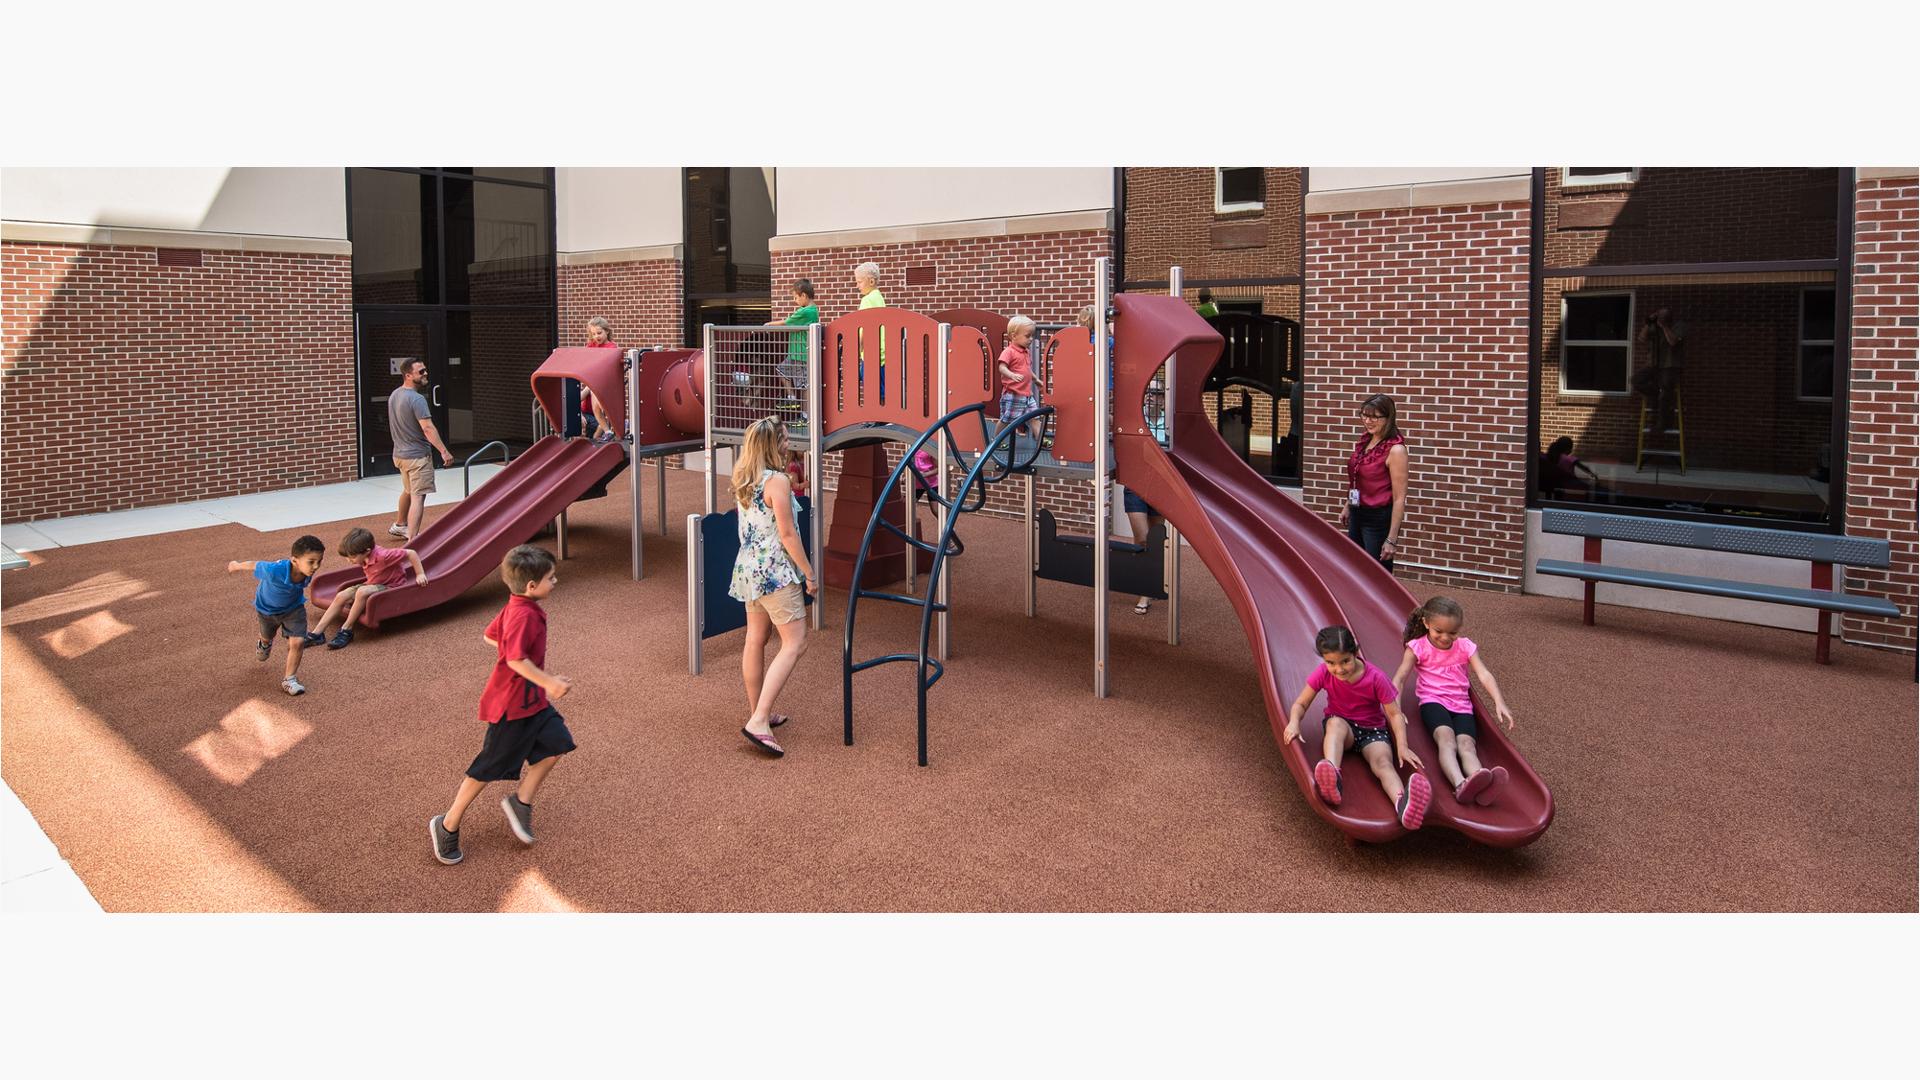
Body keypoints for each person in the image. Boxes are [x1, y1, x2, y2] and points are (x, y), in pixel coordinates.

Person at [430, 545, 576, 866]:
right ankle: (447, 823)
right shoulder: (523, 614)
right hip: (512, 706)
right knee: (488, 768)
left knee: (555, 747)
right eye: (551, 578)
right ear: (531, 586)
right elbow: (514, 659)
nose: (556, 582)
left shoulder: (517, 604)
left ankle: (520, 803)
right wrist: (548, 681)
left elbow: (489, 636)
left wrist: (533, 675)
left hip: (532, 702)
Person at [728, 417, 819, 757]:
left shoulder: (745, 479)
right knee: (795, 643)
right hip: (775, 573)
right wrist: (809, 572)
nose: (787, 444)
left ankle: (758, 712)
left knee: (756, 639)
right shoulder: (778, 481)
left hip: (748, 570)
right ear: (772, 445)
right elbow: (786, 534)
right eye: (783, 440)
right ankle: (760, 719)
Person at [1282, 625, 1431, 830]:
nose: (1339, 669)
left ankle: (1402, 804)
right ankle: (1333, 775)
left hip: (1373, 731)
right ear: (1324, 660)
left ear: (1355, 654)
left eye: (1345, 661)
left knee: (1383, 764)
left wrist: (1402, 746)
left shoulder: (1375, 677)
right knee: (1334, 725)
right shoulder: (1324, 673)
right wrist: (1294, 721)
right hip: (1345, 729)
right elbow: (1301, 703)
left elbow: (1394, 714)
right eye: (1331, 662)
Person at [1391, 597, 1514, 806]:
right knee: (1447, 740)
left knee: (1467, 745)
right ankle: (1459, 784)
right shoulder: (1417, 647)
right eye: (1439, 631)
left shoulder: (1465, 646)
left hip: (1462, 705)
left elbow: (1484, 674)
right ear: (1426, 623)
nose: (1445, 638)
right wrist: (1396, 709)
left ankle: (1480, 782)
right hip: (1433, 701)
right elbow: (1399, 678)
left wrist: (1499, 701)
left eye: (1452, 633)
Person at [227, 535, 325, 697]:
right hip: (267, 610)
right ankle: (264, 643)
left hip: (294, 609)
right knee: (267, 636)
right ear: (294, 560)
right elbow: (254, 564)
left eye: (319, 561)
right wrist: (236, 565)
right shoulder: (274, 570)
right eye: (311, 561)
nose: (316, 566)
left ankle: (289, 679)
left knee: (298, 641)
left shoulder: (307, 570)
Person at [310, 527, 428, 649]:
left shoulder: (383, 556)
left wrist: (420, 574)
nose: (349, 560)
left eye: (352, 557)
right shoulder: (364, 554)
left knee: (361, 591)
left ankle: (347, 629)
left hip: (391, 586)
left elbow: (411, 553)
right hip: (373, 583)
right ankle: (317, 633)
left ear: (367, 551)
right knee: (341, 595)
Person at [387, 359, 454, 542]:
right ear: (408, 375)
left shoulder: (395, 395)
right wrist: (444, 451)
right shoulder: (417, 399)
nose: (425, 374)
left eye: (425, 370)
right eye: (421, 371)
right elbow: (428, 428)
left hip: (400, 455)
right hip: (417, 457)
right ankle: (413, 541)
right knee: (418, 497)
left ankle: (400, 525)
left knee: (408, 490)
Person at [1340, 393, 1408, 570]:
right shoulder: (1366, 441)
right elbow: (1357, 476)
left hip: (1377, 520)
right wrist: (1348, 505)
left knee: (1376, 572)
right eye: (1365, 415)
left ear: (1388, 418)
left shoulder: (1396, 450)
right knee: (1355, 567)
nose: (1368, 421)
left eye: (1375, 417)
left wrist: (1391, 539)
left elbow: (1399, 498)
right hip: (1357, 512)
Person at [768, 280, 820, 423]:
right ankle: (792, 398)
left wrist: (768, 324)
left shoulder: (806, 311)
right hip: (795, 354)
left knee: (803, 386)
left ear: (804, 295)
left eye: (796, 297)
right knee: (781, 370)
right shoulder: (810, 310)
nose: (795, 301)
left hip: (800, 355)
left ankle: (805, 416)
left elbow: (786, 322)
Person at [1633, 307, 1686, 432]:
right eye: (1659, 316)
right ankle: (1656, 395)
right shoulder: (1654, 327)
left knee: (1665, 393)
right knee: (1636, 381)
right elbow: (1641, 338)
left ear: (1669, 317)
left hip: (1670, 366)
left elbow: (1672, 342)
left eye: (1662, 317)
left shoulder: (1679, 326)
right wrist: (1648, 323)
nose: (1660, 319)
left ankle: (1663, 424)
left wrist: (1664, 327)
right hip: (1654, 365)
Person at [996, 315, 1045, 447]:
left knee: (1035, 417)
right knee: (1007, 419)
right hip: (1013, 394)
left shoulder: (1026, 352)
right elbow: (1001, 367)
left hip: (1027, 394)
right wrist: (1011, 374)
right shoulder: (1009, 352)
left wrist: (1036, 380)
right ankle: (996, 441)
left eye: (1032, 336)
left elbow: (1027, 369)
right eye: (1027, 336)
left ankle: (1041, 441)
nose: (1031, 339)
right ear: (1013, 336)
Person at [579, 316, 622, 445]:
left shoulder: (611, 347)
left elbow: (607, 364)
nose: (596, 336)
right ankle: (608, 431)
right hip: (594, 382)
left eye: (599, 333)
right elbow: (587, 360)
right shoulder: (591, 346)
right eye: (593, 334)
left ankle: (618, 423)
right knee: (596, 408)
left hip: (605, 382)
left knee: (602, 406)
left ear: (606, 331)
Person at [1124, 487, 1163, 615]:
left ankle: (1153, 584)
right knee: (1142, 540)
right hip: (1134, 487)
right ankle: (1145, 591)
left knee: (1156, 540)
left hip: (1159, 487)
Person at [855, 261, 887, 398]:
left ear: (871, 281)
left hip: (871, 353)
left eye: (859, 282)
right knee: (883, 391)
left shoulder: (867, 300)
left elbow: (865, 327)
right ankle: (885, 418)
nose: (857, 286)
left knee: (871, 390)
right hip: (883, 352)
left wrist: (859, 345)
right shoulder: (879, 297)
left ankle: (876, 418)